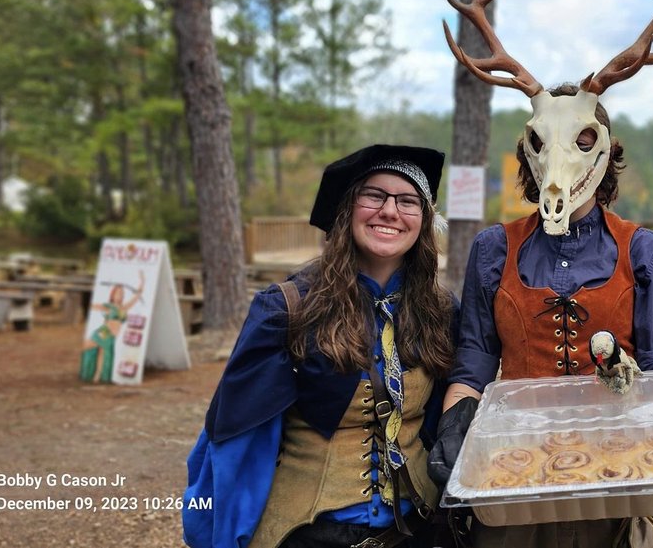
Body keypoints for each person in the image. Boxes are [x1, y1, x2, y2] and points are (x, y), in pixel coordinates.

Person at [428, 83, 653, 547]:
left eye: (583, 140)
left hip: (615, 475)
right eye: (544, 142)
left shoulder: (645, 251)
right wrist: (455, 425)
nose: (563, 156)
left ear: (605, 149)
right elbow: (474, 362)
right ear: (529, 151)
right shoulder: (493, 248)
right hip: (513, 475)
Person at [182, 145, 457, 548]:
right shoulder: (287, 308)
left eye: (408, 201)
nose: (390, 211)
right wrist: (220, 537)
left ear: (424, 220)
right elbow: (236, 436)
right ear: (346, 211)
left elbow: (446, 422)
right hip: (310, 533)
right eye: (374, 195)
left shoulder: (442, 309)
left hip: (418, 529)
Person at [79, 270, 145, 383]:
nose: (119, 295)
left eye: (121, 293)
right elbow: (93, 306)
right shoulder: (108, 306)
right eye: (117, 293)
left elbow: (137, 295)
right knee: (87, 347)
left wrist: (142, 281)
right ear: (113, 295)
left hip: (111, 337)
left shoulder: (124, 307)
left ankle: (97, 377)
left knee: (103, 355)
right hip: (103, 332)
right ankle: (88, 372)